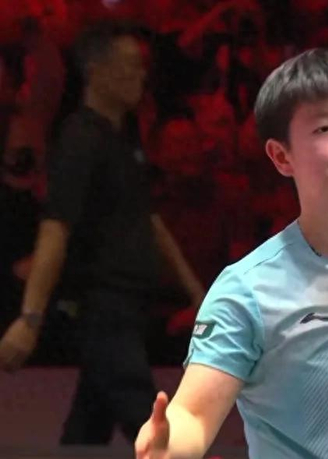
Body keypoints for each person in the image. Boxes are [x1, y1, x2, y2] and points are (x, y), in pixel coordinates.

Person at [135, 48, 328, 459]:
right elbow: (192, 415)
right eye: (324, 128)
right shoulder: (249, 289)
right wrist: (168, 444)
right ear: (281, 156)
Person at [0, 22, 205, 445]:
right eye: (130, 64)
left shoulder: (124, 140)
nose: (141, 75)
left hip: (130, 304)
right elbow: (55, 230)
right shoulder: (79, 140)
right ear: (96, 70)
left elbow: (149, 220)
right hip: (102, 306)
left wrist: (195, 290)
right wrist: (30, 317)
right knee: (150, 423)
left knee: (86, 432)